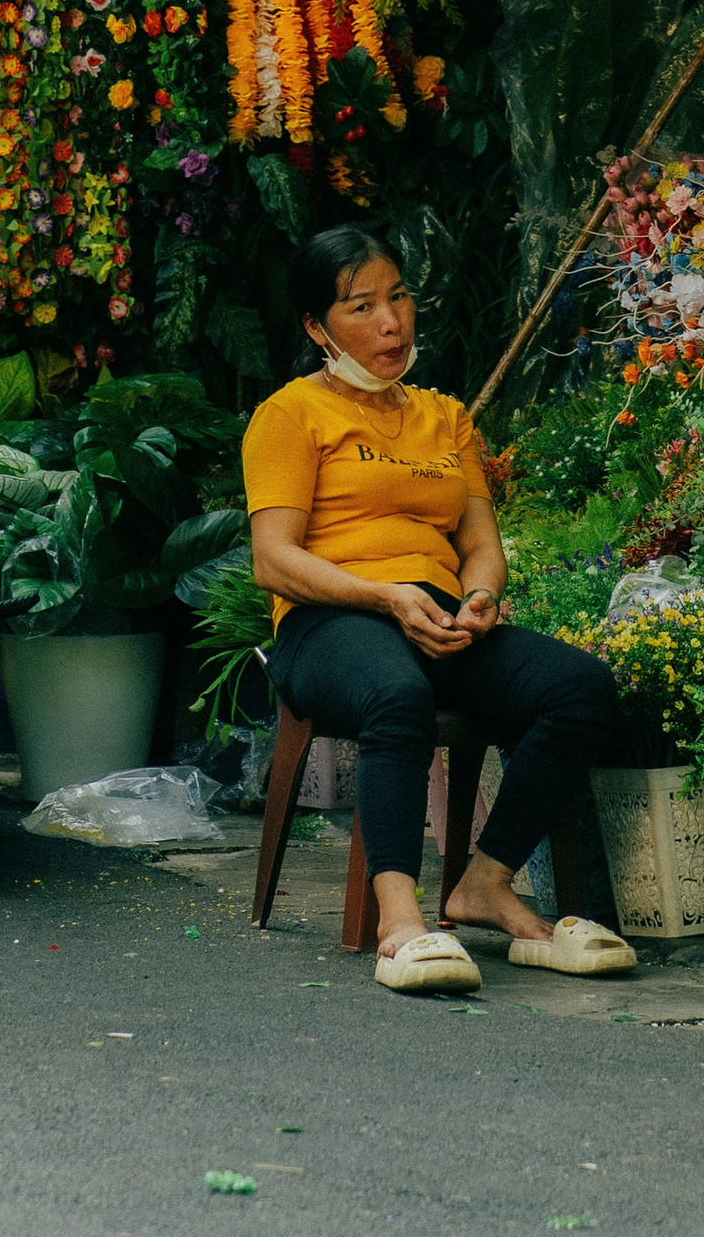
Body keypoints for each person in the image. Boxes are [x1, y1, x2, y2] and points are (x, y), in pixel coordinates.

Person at [244, 224, 634, 995]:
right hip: (330, 626)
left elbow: (482, 544)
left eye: (399, 297)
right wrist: (384, 595)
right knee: (396, 691)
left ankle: (483, 884)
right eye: (362, 306)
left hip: (438, 618)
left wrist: (482, 595)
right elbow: (274, 558)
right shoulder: (291, 415)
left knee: (580, 688)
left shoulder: (444, 417)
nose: (391, 323)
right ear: (318, 328)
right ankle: (399, 918)